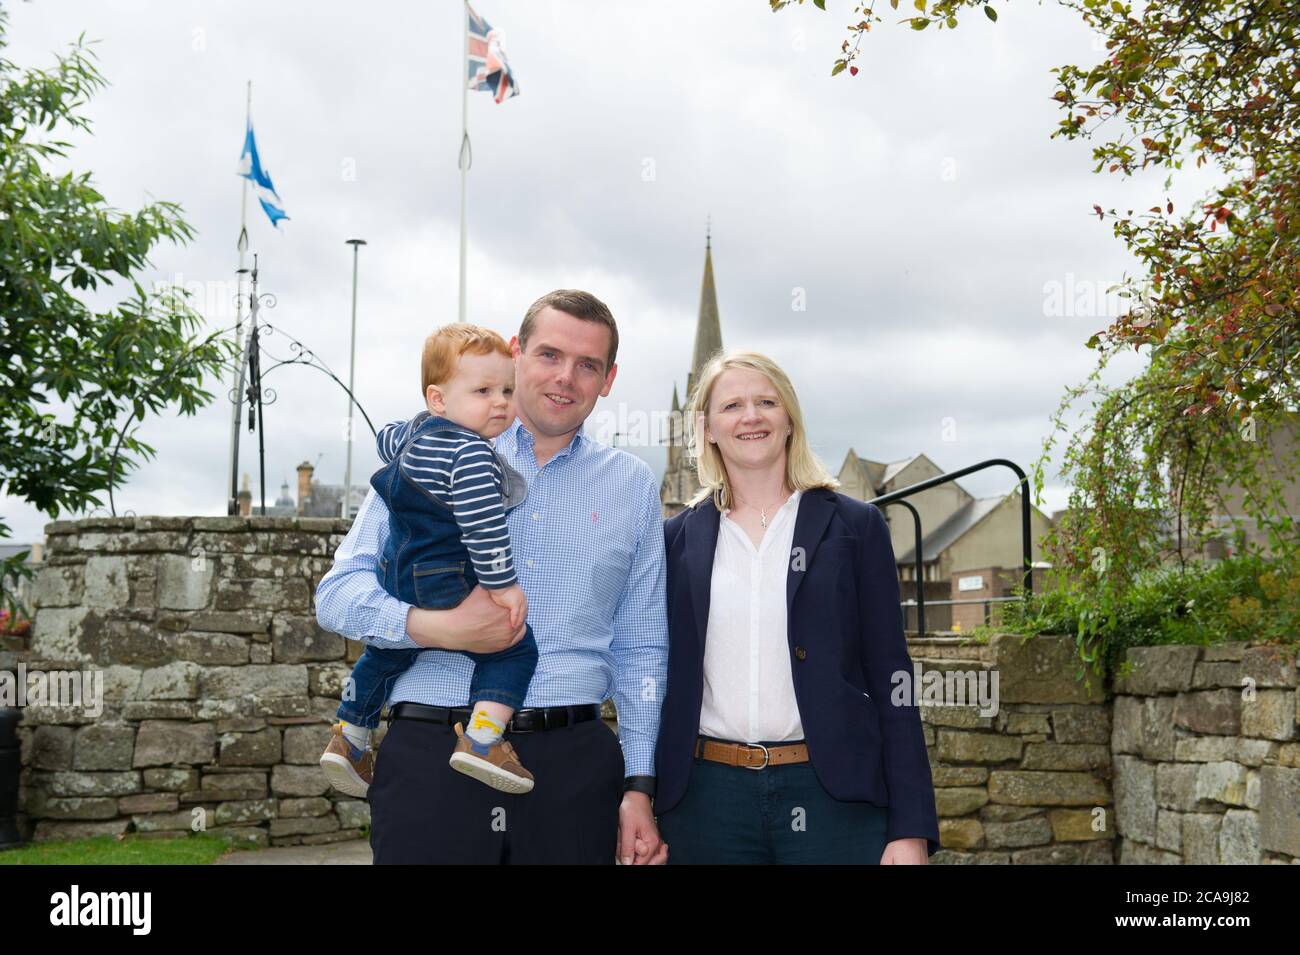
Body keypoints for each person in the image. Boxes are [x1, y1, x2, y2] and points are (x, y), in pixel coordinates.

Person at [315, 290, 670, 865]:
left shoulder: (631, 486)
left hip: (573, 774)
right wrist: (438, 628)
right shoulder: (426, 453)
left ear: (608, 380)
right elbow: (337, 596)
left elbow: (643, 647)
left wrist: (639, 786)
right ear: (515, 352)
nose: (565, 377)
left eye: (588, 365)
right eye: (549, 355)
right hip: (431, 760)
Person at [653, 351, 941, 864]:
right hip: (704, 803)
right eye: (732, 405)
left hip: (834, 801)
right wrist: (640, 794)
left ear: (789, 419)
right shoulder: (674, 539)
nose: (751, 416)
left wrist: (910, 827)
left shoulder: (856, 527)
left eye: (767, 401)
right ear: (708, 429)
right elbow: (648, 668)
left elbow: (894, 679)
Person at [319, 324, 539, 799]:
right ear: (439, 398)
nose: (500, 402)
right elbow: (484, 528)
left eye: (507, 389)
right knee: (514, 649)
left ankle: (350, 734)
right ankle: (483, 738)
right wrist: (503, 587)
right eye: (483, 391)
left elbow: (385, 438)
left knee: (387, 652)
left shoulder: (415, 432)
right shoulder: (474, 455)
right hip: (445, 577)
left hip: (399, 577)